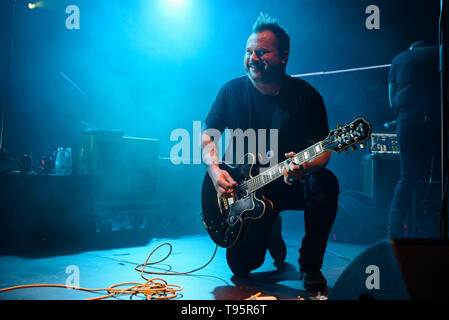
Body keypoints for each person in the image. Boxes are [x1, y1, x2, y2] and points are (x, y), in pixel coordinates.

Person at [201, 13, 339, 292]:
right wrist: (215, 170)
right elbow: (208, 135)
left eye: (261, 52)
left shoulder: (306, 96)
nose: (252, 58)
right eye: (249, 51)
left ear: (284, 56)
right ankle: (269, 224)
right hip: (246, 190)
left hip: (290, 181)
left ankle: (310, 264)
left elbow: (323, 152)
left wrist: (304, 167)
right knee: (241, 269)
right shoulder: (231, 91)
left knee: (326, 183)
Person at [387, 41, 440, 238]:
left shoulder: (398, 59)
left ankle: (393, 234)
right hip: (435, 119)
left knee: (406, 178)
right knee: (440, 173)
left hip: (407, 121)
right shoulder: (437, 52)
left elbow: (392, 100)